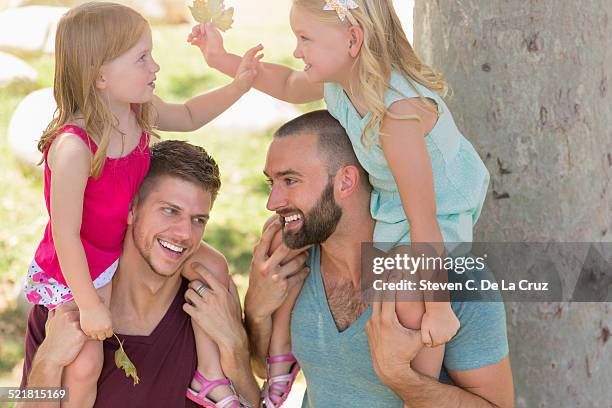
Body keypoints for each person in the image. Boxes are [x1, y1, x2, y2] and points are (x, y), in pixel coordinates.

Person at [189, 1, 492, 404]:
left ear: (353, 39)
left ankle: (417, 384)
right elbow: (288, 85)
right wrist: (223, 59)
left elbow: (425, 224)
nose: (297, 51)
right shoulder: (342, 82)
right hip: (394, 204)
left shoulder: (397, 117)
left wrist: (438, 310)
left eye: (305, 39)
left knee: (410, 304)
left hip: (437, 211)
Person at [23, 2, 262, 407]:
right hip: (78, 269)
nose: (155, 67)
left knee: (215, 265)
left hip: (115, 251)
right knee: (83, 365)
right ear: (100, 74)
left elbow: (187, 114)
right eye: (141, 58)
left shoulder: (137, 113)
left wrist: (238, 85)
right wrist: (86, 309)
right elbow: (64, 234)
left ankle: (210, 377)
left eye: (196, 219)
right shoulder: (74, 148)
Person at [244, 111, 514, 407]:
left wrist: (401, 378)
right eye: (272, 182)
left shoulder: (454, 278)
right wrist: (256, 312)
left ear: (346, 181)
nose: (273, 202)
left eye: (290, 181)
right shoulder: (294, 263)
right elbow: (266, 368)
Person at [19, 140, 260, 408]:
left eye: (198, 220)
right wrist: (49, 361)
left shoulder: (207, 303)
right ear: (131, 208)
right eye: (170, 211)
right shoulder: (64, 309)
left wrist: (236, 346)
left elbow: (249, 400)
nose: (185, 234)